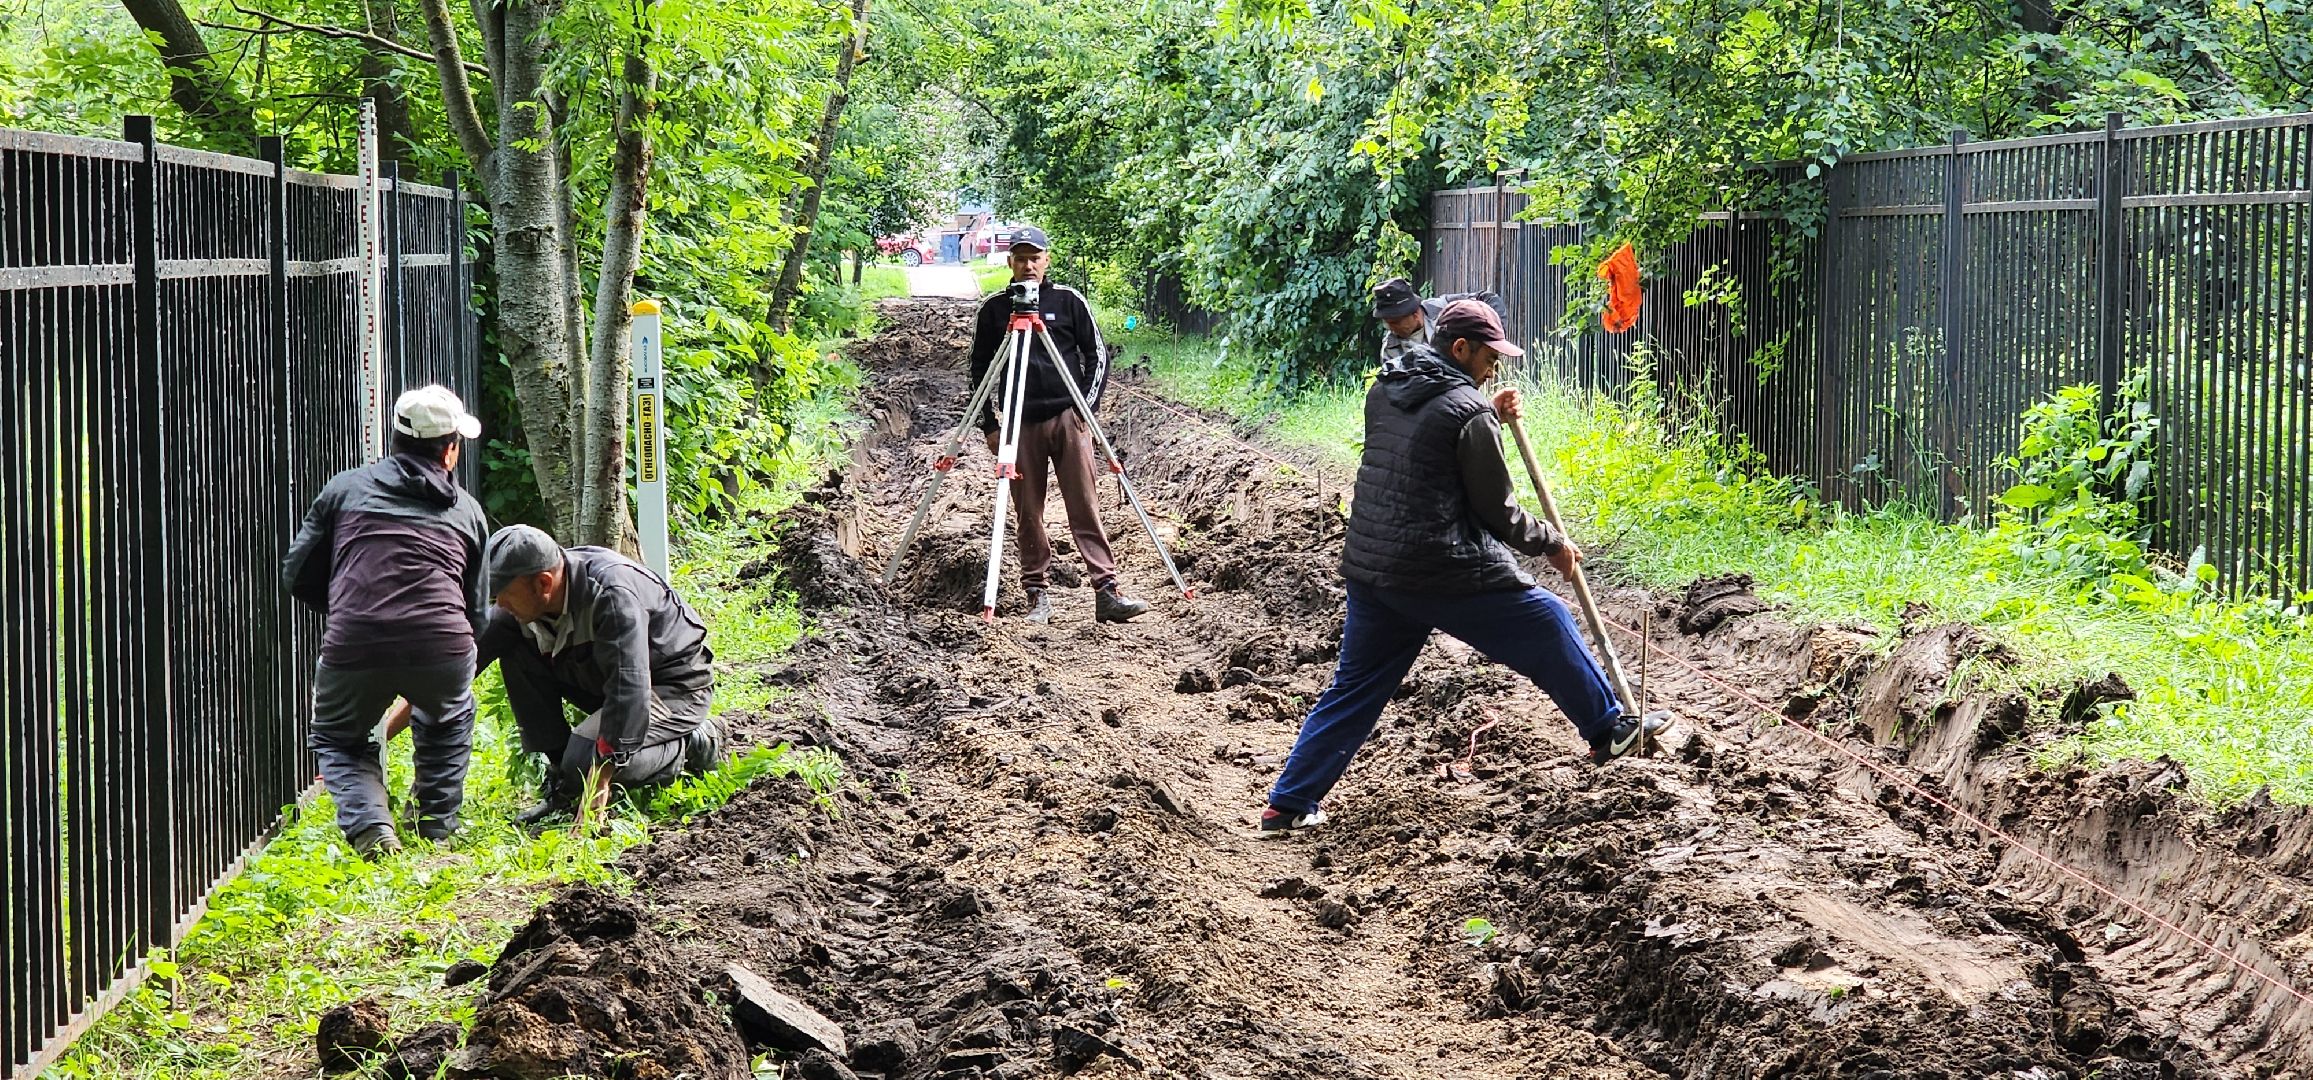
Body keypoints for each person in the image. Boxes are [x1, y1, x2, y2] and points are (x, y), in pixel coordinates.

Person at [1262, 300, 1671, 833]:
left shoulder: (1387, 388)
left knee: (1355, 687)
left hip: (1373, 565)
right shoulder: (1466, 410)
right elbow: (1496, 511)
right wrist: (1551, 543)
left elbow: (1425, 444)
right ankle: (1608, 728)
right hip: (1435, 565)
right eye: (1488, 355)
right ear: (1460, 349)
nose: (1494, 366)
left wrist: (1484, 414)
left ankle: (1288, 803)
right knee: (1546, 618)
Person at [281, 385, 490, 858]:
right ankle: (434, 826)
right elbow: (476, 608)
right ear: (451, 449)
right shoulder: (468, 512)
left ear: (393, 439)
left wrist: (350, 611)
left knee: (338, 738)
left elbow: (297, 573)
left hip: (356, 639)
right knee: (447, 718)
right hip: (442, 641)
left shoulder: (345, 490)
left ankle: (372, 827)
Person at [477, 525, 725, 826]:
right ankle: (562, 784)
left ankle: (694, 744)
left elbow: (629, 688)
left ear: (543, 583)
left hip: (674, 685)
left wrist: (599, 778)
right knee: (514, 645)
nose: (499, 604)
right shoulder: (524, 604)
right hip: (606, 682)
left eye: (503, 594)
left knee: (587, 762)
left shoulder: (612, 595)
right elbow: (455, 668)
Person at [966, 225, 1150, 624]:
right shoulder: (995, 310)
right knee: (1027, 512)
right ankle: (1036, 596)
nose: (1029, 265)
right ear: (1009, 261)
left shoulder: (1069, 302)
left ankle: (1107, 591)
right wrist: (989, 426)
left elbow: (1096, 355)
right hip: (1018, 421)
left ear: (1047, 259)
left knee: (1084, 504)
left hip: (1068, 415)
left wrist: (1086, 408)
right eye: (1021, 258)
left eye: (1035, 257)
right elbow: (978, 370)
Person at [1372, 277, 1505, 365]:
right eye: (1386, 322)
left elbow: (1488, 298)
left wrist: (1491, 336)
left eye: (1395, 322)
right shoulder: (1390, 348)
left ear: (1415, 314)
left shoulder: (1443, 307)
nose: (1390, 328)